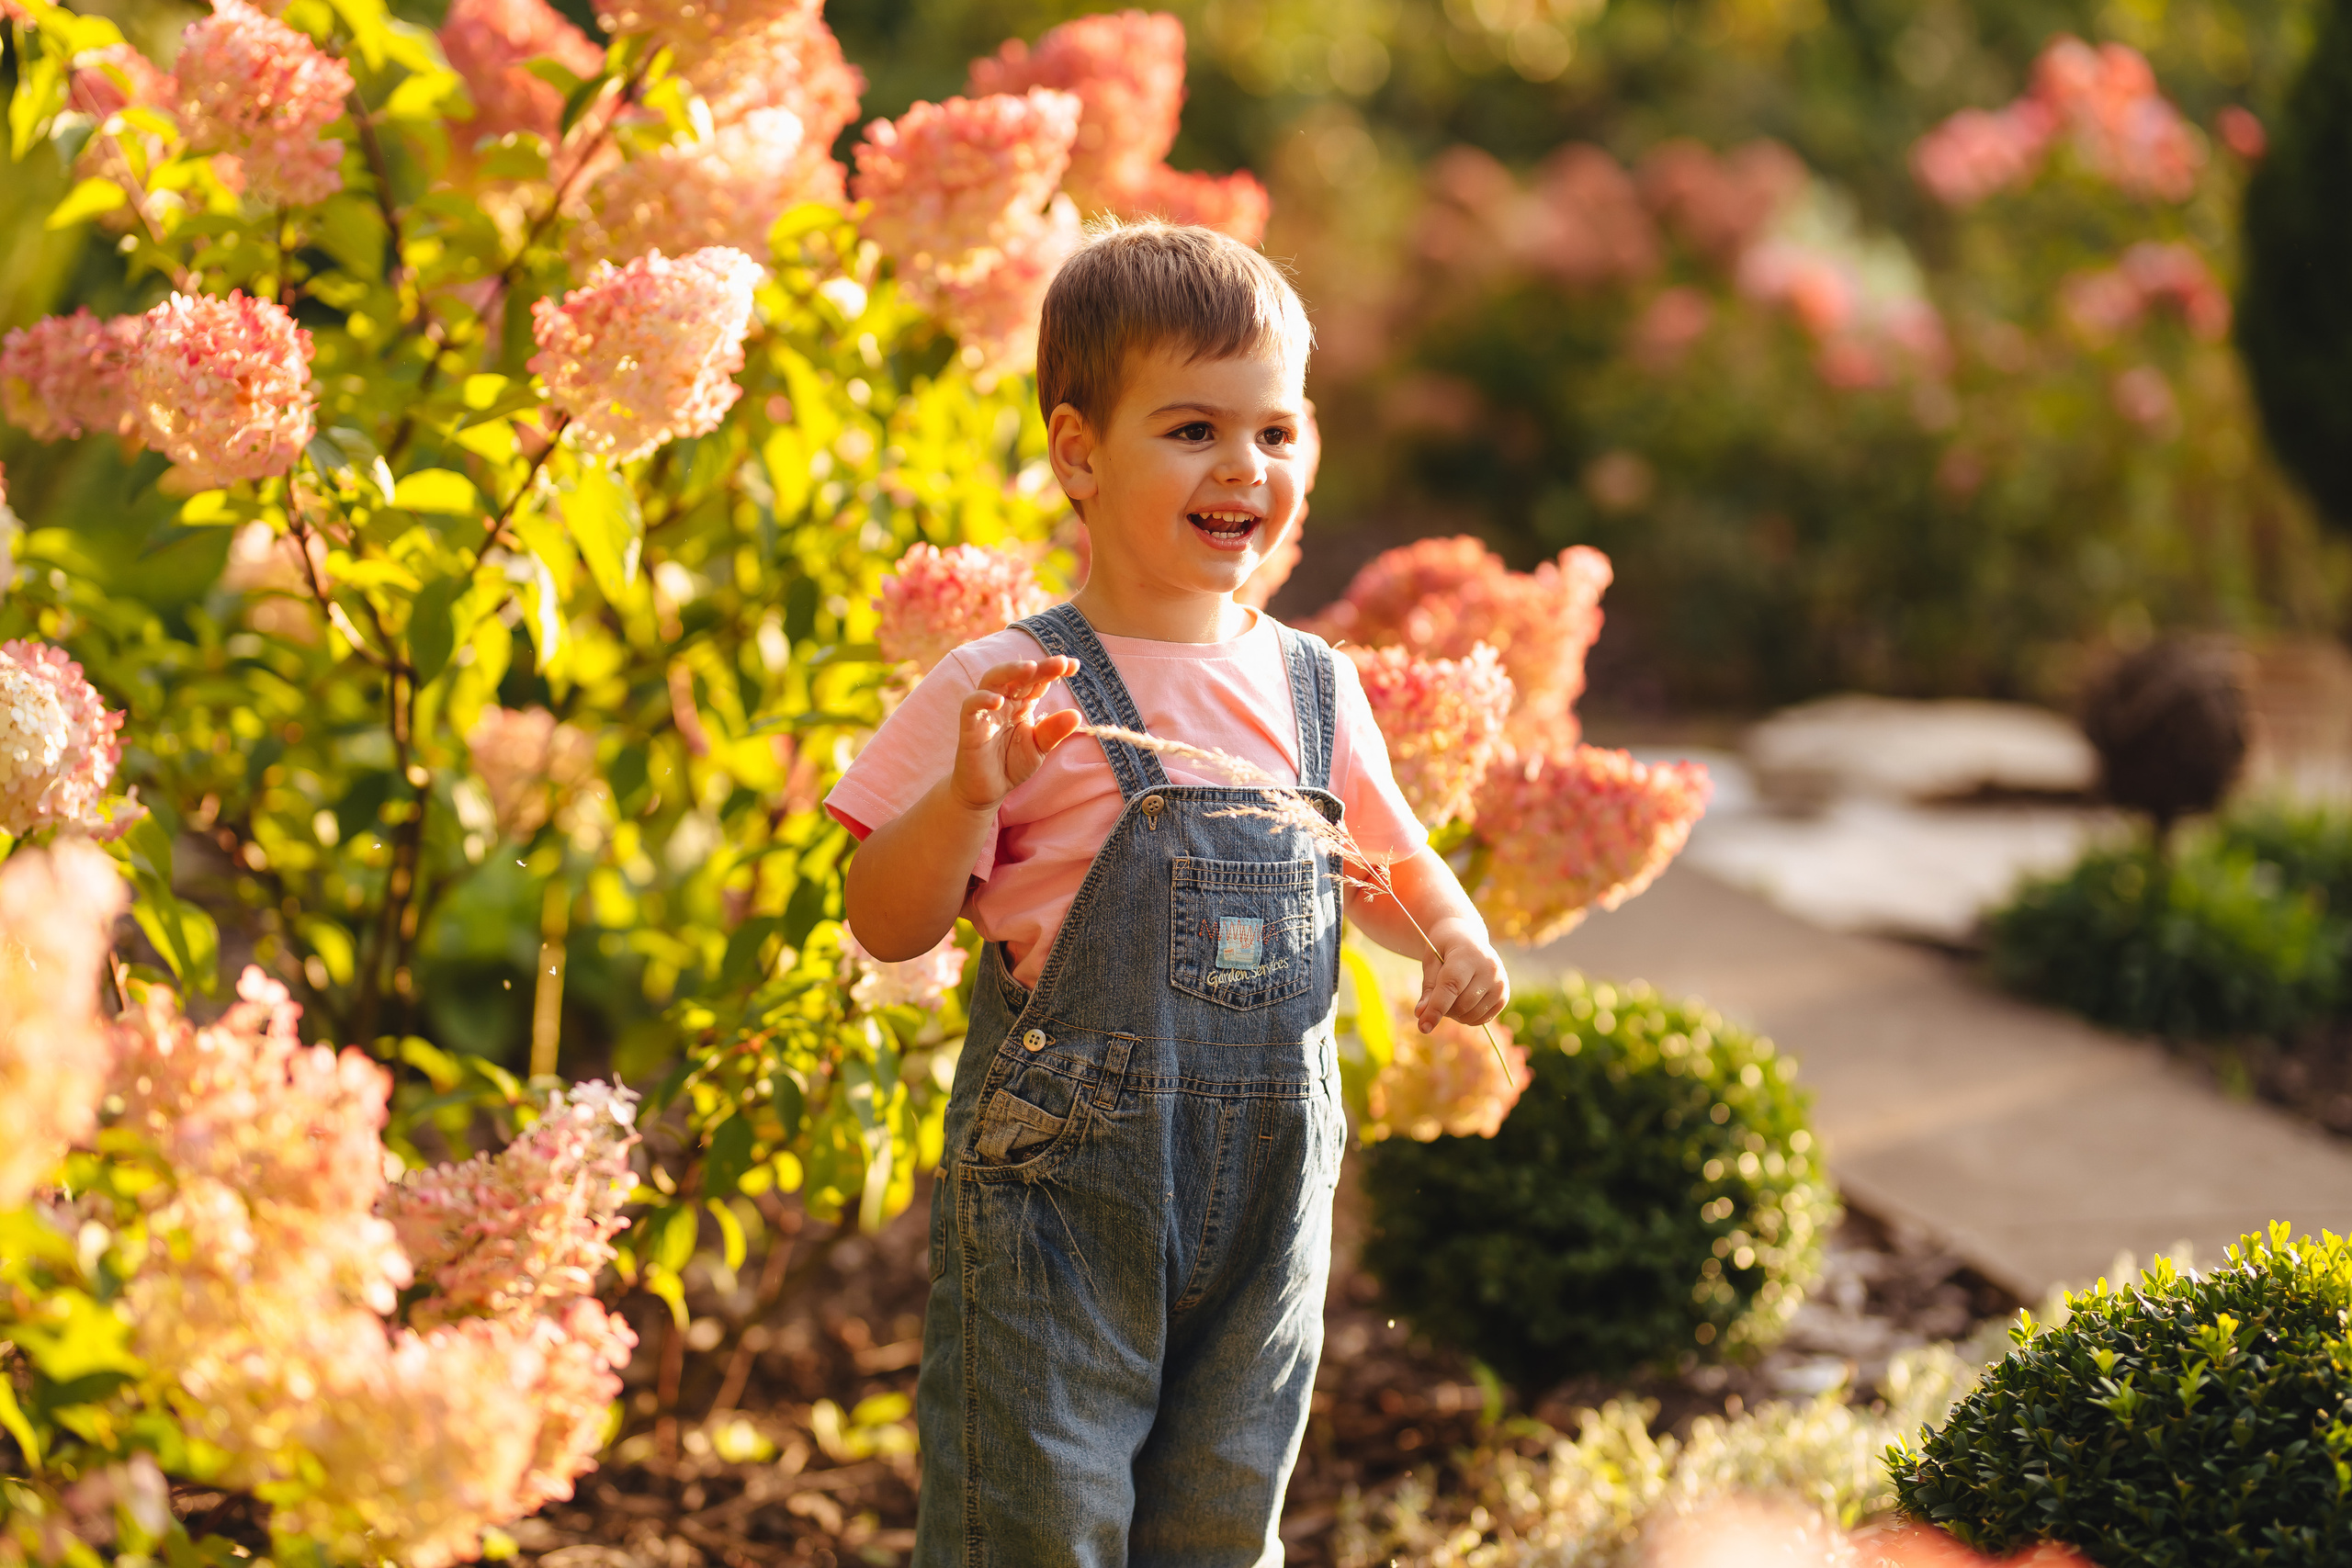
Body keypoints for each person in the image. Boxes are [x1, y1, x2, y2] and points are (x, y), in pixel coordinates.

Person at [826, 220, 1510, 1567]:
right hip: (1064, 1206)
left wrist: (1450, 930)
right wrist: (965, 799)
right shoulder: (1004, 684)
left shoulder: (1315, 686)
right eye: (1194, 429)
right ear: (1079, 453)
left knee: (1221, 1514)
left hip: (1269, 1202)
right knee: (1040, 1512)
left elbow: (1385, 863)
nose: (1244, 467)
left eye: (1275, 431)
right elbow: (881, 919)